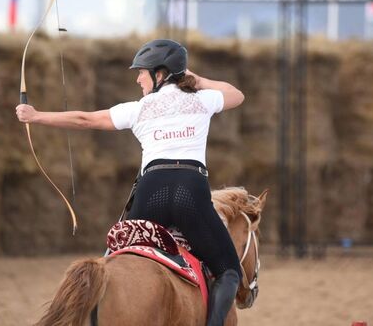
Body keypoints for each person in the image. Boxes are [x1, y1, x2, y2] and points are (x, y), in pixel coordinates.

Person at [15, 39, 245, 326]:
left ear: (160, 74)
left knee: (115, 259)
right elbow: (236, 95)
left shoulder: (138, 109)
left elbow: (85, 119)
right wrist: (196, 79)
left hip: (152, 193)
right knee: (229, 272)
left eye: (142, 72)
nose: (138, 78)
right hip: (191, 192)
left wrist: (36, 116)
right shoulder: (201, 99)